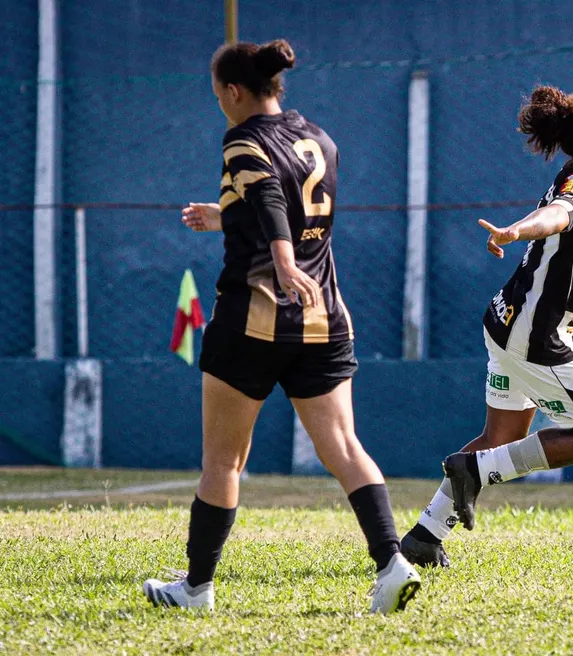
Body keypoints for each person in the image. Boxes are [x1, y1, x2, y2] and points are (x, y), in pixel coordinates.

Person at [141, 39, 420, 613]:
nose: (219, 102)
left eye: (218, 93)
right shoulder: (319, 138)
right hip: (322, 319)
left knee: (223, 462)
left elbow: (269, 199)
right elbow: (291, 203)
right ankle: (392, 562)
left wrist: (282, 257)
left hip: (253, 320)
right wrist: (225, 217)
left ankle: (195, 589)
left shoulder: (243, 138)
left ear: (235, 92)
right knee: (344, 446)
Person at [400, 85, 573, 567]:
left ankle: (424, 535)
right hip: (535, 338)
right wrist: (516, 229)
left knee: (499, 437)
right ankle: (473, 472)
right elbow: (556, 215)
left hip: (506, 322)